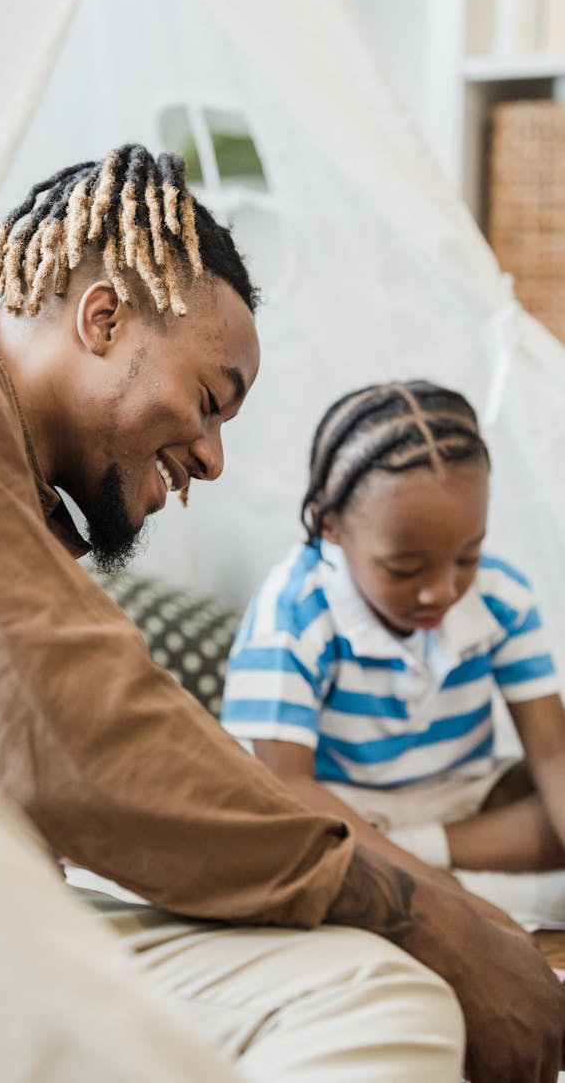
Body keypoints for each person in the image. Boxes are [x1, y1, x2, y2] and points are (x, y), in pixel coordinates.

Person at [0, 146, 563, 1083]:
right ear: (103, 317)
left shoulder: (17, 499)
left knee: (385, 994)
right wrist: (427, 908)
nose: (211, 459)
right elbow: (68, 719)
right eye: (212, 401)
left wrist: (428, 926)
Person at [222, 379, 565, 928]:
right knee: (263, 837)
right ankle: (417, 875)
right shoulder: (295, 610)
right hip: (335, 807)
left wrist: (420, 857)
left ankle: (403, 862)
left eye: (467, 557)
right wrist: (447, 896)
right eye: (404, 569)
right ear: (329, 526)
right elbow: (287, 785)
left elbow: (553, 754)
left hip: (463, 805)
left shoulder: (501, 597)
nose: (442, 592)